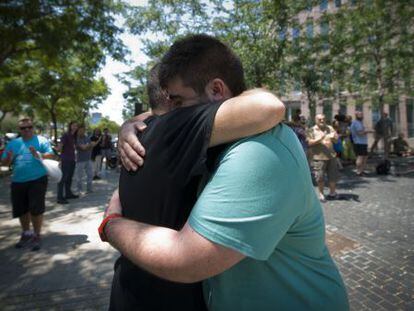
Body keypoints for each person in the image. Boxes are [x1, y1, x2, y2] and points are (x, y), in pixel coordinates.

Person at [102, 34, 349, 310]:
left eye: (178, 103)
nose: (170, 117)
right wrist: (130, 124)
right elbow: (157, 114)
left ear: (217, 91)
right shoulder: (216, 139)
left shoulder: (259, 151)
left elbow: (186, 259)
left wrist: (110, 223)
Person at [107, 62, 285, 310]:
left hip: (127, 288)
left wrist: (128, 123)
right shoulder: (178, 127)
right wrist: (110, 225)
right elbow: (269, 107)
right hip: (173, 298)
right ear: (173, 100)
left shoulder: (141, 133)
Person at [1, 117, 54, 251]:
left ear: (33, 127)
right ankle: (26, 233)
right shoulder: (13, 144)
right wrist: (7, 159)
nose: (27, 130)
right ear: (19, 130)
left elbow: (51, 155)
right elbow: (4, 163)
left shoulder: (41, 140)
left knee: (36, 209)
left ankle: (36, 235)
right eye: (23, 128)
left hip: (38, 179)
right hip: (18, 181)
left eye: (29, 127)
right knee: (21, 210)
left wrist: (38, 154)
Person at [307, 114, 340, 202]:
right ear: (315, 120)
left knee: (333, 175)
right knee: (320, 177)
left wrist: (335, 137)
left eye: (323, 119)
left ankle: (332, 193)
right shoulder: (311, 130)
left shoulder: (330, 128)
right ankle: (321, 194)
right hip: (319, 157)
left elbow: (336, 141)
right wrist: (320, 139)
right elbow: (309, 143)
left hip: (331, 156)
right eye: (319, 119)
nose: (322, 121)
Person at [57, 121, 79, 204]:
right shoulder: (66, 135)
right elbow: (60, 147)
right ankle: (59, 197)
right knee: (63, 178)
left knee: (69, 178)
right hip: (65, 160)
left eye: (76, 126)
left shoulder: (74, 136)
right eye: (73, 125)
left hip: (72, 159)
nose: (75, 127)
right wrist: (59, 158)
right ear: (70, 126)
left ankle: (68, 194)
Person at [350, 111, 374, 176]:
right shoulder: (356, 123)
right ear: (357, 115)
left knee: (365, 157)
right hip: (359, 142)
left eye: (362, 114)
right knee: (360, 157)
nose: (362, 116)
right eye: (360, 115)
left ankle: (361, 170)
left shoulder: (358, 122)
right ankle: (358, 172)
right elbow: (360, 133)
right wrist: (369, 131)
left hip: (362, 142)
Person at [75, 125, 96, 194]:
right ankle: (79, 190)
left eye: (83, 130)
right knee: (79, 177)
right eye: (81, 130)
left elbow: (91, 147)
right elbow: (83, 148)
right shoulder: (76, 139)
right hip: (80, 160)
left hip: (88, 158)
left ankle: (89, 189)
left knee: (90, 175)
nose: (82, 131)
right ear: (78, 131)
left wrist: (88, 146)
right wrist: (88, 145)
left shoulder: (87, 138)